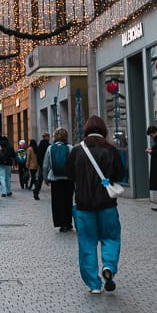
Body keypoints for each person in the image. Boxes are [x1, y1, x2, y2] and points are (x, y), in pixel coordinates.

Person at [67, 116, 127, 294]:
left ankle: (93, 284)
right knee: (111, 238)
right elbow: (120, 174)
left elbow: (69, 173)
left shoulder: (77, 151)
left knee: (87, 243)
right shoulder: (111, 150)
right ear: (103, 131)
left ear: (86, 130)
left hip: (84, 206)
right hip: (107, 205)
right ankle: (108, 266)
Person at [43, 128, 74, 232]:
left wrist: (45, 178)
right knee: (68, 200)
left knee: (57, 201)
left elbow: (45, 165)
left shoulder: (50, 148)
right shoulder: (70, 148)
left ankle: (61, 223)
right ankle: (68, 223)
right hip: (68, 178)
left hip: (55, 179)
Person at [33, 134, 51, 200]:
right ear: (46, 137)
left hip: (41, 165)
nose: (49, 138)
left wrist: (40, 164)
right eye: (48, 136)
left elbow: (38, 156)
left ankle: (36, 192)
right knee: (52, 179)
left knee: (40, 180)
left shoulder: (40, 145)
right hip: (48, 165)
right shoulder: (48, 146)